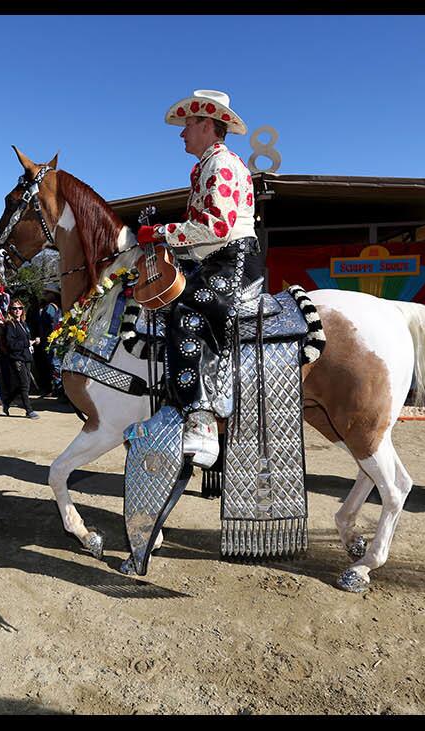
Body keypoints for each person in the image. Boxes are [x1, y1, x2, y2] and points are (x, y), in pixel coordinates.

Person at [134, 89, 263, 467]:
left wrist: (159, 233)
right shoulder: (211, 164)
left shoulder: (221, 165)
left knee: (185, 313)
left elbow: (217, 226)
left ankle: (202, 421)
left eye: (188, 125)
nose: (182, 133)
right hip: (218, 261)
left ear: (207, 125)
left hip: (232, 263)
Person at [0, 301, 41, 419]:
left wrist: (33, 340)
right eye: (14, 308)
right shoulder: (9, 325)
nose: (17, 310)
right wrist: (27, 343)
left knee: (23, 384)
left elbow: (26, 339)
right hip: (17, 358)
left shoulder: (23, 323)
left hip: (26, 356)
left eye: (20, 308)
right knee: (24, 384)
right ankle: (29, 410)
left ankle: (7, 401)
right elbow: (11, 344)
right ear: (10, 310)